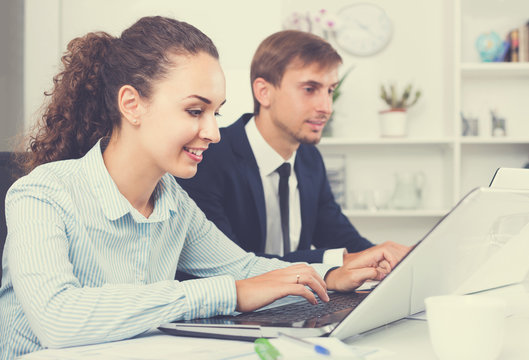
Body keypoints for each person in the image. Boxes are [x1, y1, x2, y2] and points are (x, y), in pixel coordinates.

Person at [0, 17, 400, 360]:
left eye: (216, 112)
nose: (212, 132)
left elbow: (243, 270)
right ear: (132, 104)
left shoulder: (173, 202)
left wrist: (328, 275)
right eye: (195, 111)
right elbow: (58, 318)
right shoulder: (42, 194)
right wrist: (227, 294)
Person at [177, 30, 410, 265]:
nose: (326, 107)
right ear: (264, 92)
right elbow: (229, 263)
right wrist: (339, 261)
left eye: (330, 90)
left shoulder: (309, 158)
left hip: (301, 299)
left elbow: (340, 237)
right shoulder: (208, 156)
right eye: (310, 89)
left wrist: (389, 257)